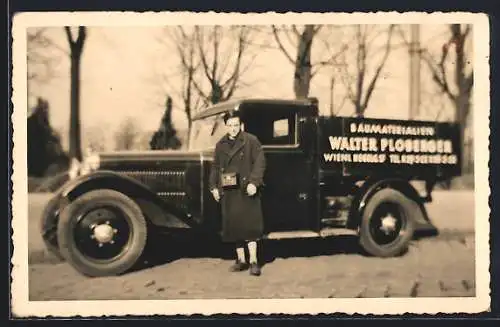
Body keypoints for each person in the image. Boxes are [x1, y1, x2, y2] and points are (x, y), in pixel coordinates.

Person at [209, 110, 266, 276]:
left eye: (236, 125)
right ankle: (241, 260)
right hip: (229, 190)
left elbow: (260, 162)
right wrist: (213, 187)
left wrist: (254, 182)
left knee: (250, 228)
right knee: (235, 227)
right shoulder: (221, 145)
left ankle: (254, 261)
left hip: (247, 189)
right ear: (225, 126)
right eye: (230, 125)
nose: (233, 129)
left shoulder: (251, 141)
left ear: (240, 125)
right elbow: (215, 167)